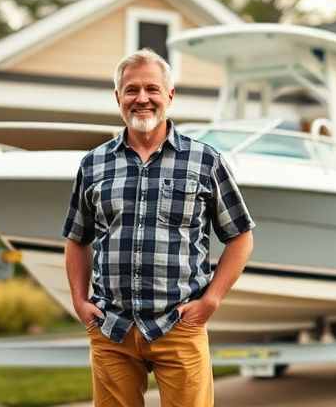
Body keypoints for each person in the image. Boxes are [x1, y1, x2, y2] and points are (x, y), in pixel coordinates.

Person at [62, 48, 255, 407]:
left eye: (152, 88)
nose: (142, 99)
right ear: (118, 97)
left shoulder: (205, 161)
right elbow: (77, 239)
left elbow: (241, 236)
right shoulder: (93, 164)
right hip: (111, 330)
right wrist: (79, 301)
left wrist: (210, 300)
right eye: (131, 90)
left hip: (180, 326)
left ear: (170, 95)